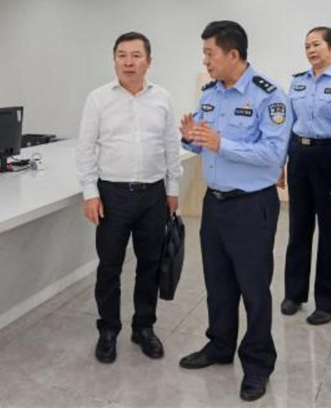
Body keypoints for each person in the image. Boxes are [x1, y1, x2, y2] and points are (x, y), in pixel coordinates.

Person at [178, 20, 292, 402]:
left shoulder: (268, 96)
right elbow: (204, 142)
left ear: (233, 54)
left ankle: (258, 364)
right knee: (218, 282)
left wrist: (220, 143)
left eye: (210, 53)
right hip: (215, 203)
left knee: (253, 288)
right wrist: (191, 138)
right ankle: (219, 345)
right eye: (204, 54)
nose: (205, 61)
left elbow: (273, 155)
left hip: (251, 206)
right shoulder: (211, 93)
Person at [75, 31, 181, 365]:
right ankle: (108, 330)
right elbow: (85, 148)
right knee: (109, 266)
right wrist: (90, 193)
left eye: (136, 55)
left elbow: (171, 145)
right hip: (112, 195)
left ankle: (144, 327)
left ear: (148, 61)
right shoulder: (98, 99)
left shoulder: (162, 98)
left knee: (149, 265)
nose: (128, 62)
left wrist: (173, 189)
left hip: (153, 195)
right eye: (122, 55)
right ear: (114, 60)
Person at [280, 27, 331, 325]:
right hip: (300, 156)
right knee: (298, 228)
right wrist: (280, 164)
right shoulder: (298, 82)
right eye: (307, 45)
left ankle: (329, 303)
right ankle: (294, 294)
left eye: (317, 44)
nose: (311, 50)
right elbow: (287, 125)